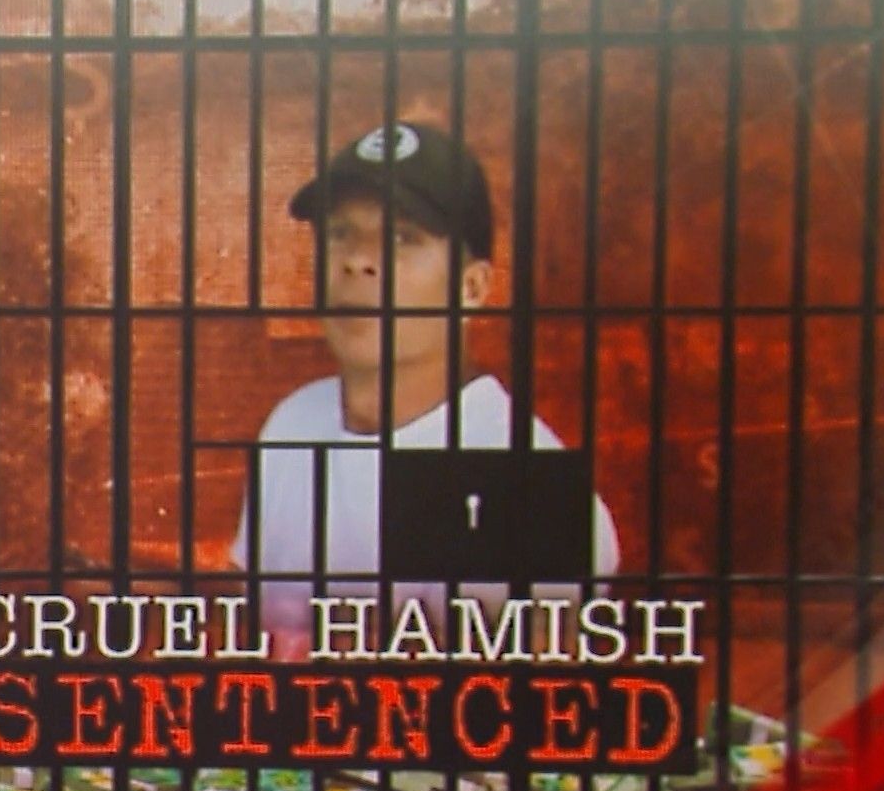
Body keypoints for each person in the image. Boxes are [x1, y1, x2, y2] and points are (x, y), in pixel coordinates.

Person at [234, 121, 620, 655]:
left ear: (472, 287)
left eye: (402, 237)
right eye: (339, 232)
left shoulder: (524, 485)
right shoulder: (292, 424)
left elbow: (518, 705)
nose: (356, 260)